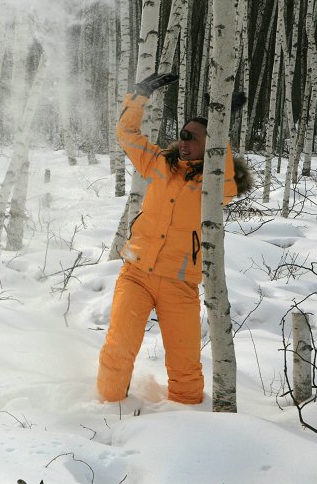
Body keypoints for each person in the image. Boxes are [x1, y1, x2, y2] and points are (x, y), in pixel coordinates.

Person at [96, 74, 252, 404]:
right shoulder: (158, 164)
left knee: (185, 364)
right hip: (136, 273)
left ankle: (186, 424)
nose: (182, 141)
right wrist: (139, 97)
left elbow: (228, 184)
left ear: (209, 143)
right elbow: (126, 134)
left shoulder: (214, 184)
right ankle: (108, 410)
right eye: (181, 134)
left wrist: (221, 125)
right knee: (118, 349)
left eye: (191, 137)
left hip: (180, 283)